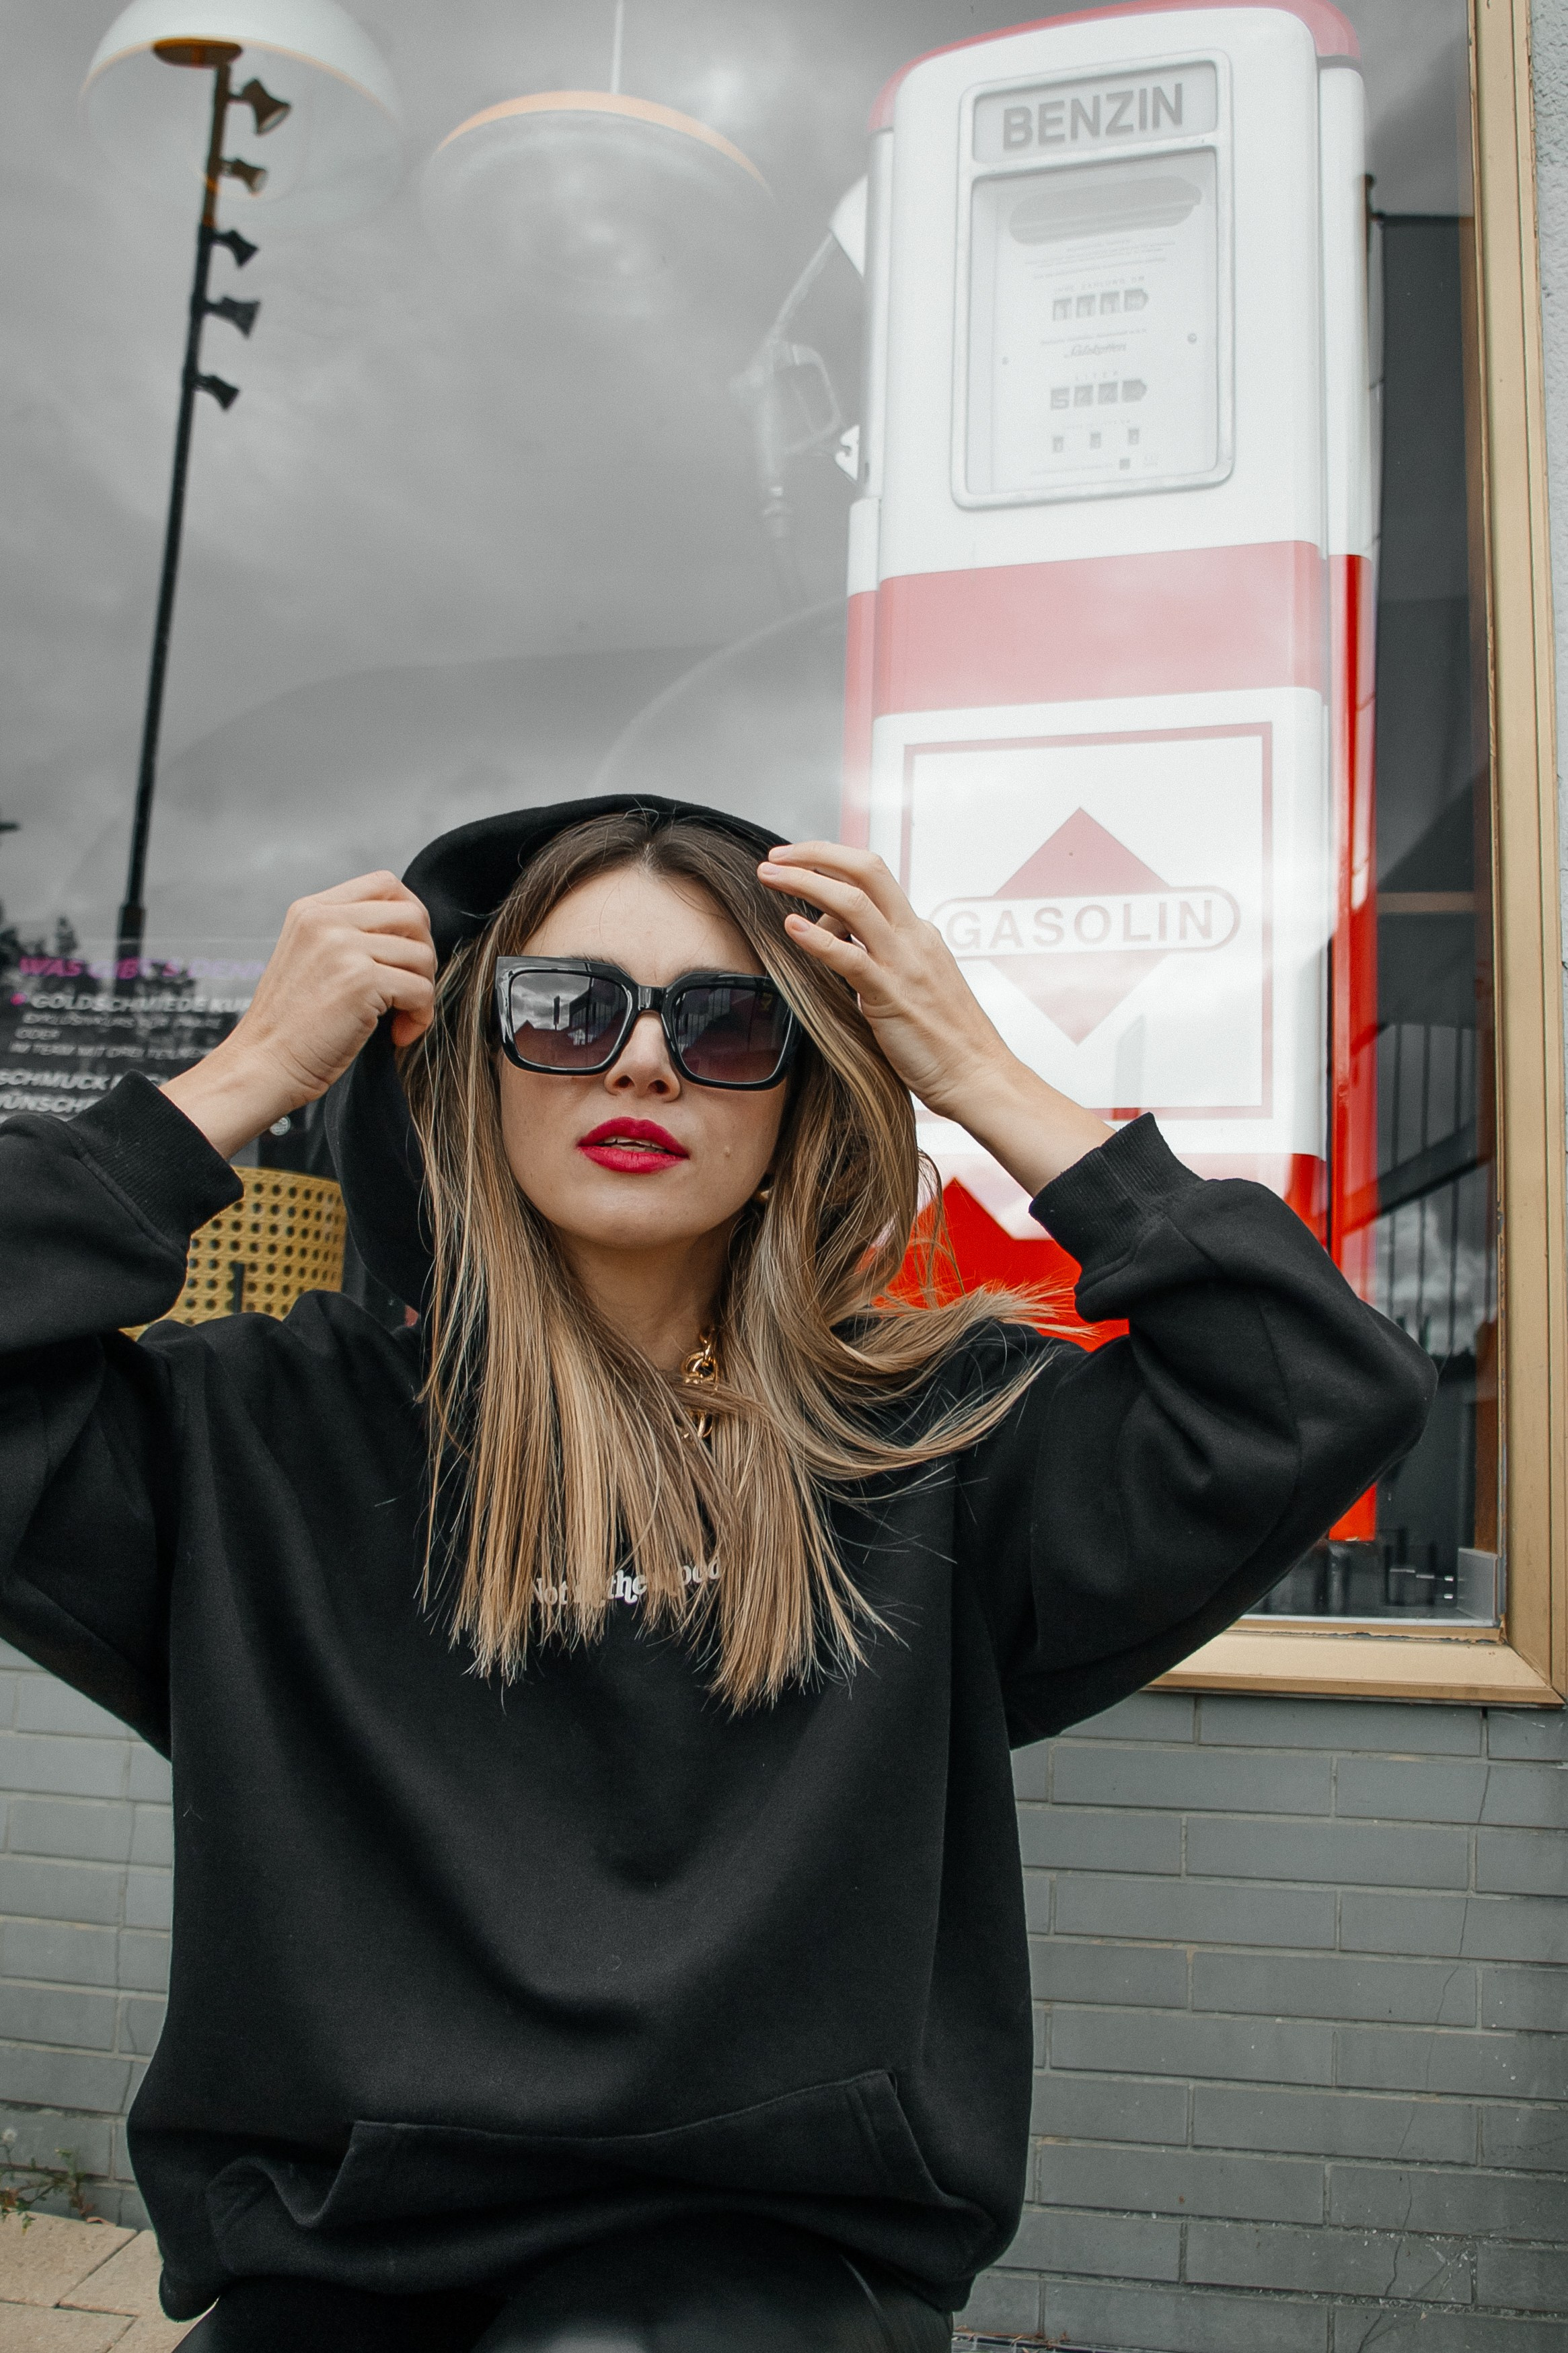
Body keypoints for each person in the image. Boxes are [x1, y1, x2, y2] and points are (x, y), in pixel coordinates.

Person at [0, 796, 1433, 2352]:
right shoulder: (255, 1440)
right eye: (561, 1010)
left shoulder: (932, 1452)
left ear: (798, 1098)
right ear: (460, 1068)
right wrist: (244, 1078)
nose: (641, 1062)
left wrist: (977, 1074)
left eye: (729, 1024)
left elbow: (1309, 1390)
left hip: (775, 2261)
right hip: (337, 2258)